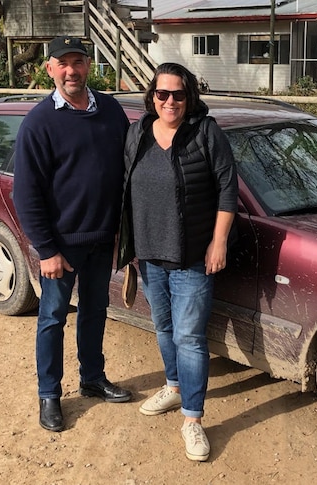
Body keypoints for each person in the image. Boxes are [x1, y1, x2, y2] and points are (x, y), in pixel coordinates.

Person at [13, 35, 132, 433]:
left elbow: (126, 173)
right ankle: (49, 394)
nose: (71, 71)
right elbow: (26, 194)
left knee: (96, 312)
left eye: (78, 62)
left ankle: (93, 378)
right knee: (52, 319)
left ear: (88, 66)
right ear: (49, 69)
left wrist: (122, 231)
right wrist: (46, 250)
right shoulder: (39, 123)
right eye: (62, 63)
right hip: (60, 247)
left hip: (101, 240)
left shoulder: (112, 111)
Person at [119, 62, 238, 461]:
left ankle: (193, 419)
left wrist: (218, 242)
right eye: (162, 94)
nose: (170, 101)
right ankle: (173, 386)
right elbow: (124, 187)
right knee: (164, 328)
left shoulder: (206, 132)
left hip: (191, 258)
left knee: (189, 337)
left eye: (179, 94)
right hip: (149, 255)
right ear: (152, 96)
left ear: (190, 97)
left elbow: (227, 189)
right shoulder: (137, 133)